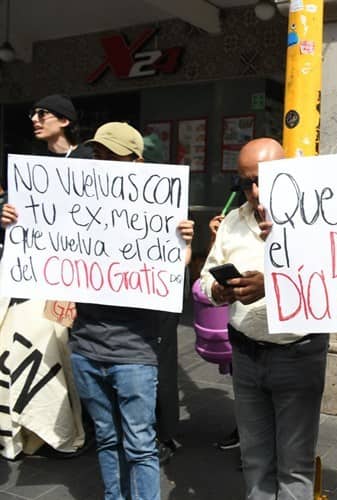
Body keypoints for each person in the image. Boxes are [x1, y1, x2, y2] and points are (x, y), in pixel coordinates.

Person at [2, 122, 195, 500]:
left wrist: (184, 245)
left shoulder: (159, 212)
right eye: (99, 154)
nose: (102, 162)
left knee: (140, 445)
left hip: (135, 354)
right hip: (87, 347)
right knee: (107, 439)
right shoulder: (77, 207)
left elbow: (172, 277)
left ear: (136, 161)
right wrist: (15, 224)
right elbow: (39, 250)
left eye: (113, 156)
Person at [199, 138, 329, 499]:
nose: (254, 191)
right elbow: (208, 275)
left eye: (263, 179)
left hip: (298, 353)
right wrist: (218, 290)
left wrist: (272, 284)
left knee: (294, 467)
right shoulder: (233, 222)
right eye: (246, 182)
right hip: (246, 354)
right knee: (255, 461)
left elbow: (333, 280)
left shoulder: (318, 215)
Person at [142, 134, 182, 465]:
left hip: (158, 296)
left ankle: (163, 433)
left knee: (161, 365)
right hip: (129, 297)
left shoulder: (164, 198)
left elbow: (180, 260)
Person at [28, 94, 92, 159]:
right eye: (32, 114)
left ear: (64, 121)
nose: (34, 119)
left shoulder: (89, 157)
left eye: (42, 113)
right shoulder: (34, 158)